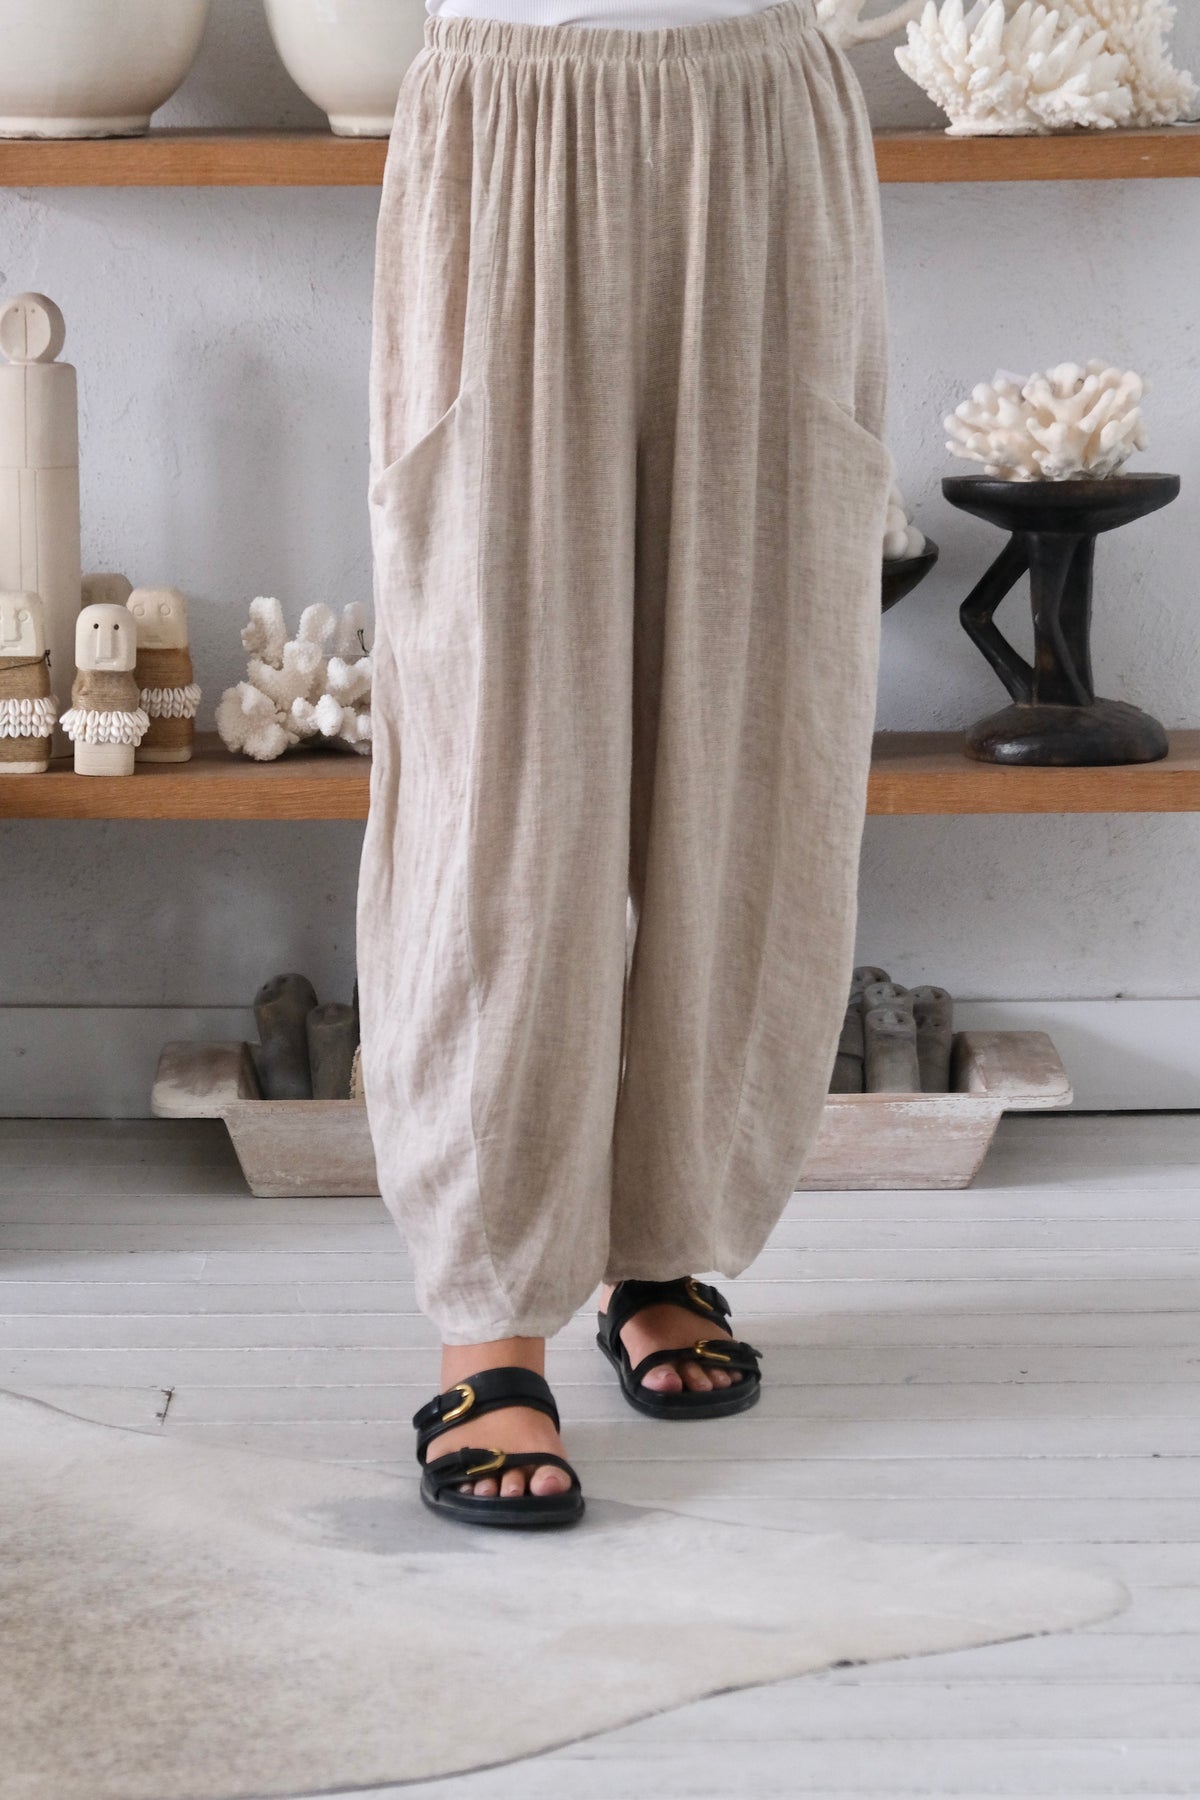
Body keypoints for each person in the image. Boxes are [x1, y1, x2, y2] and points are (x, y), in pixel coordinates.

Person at [355, 0, 894, 1528]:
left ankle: (666, 1241)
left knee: (752, 733)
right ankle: (491, 1320)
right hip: (514, 109)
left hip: (766, 112)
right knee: (509, 766)